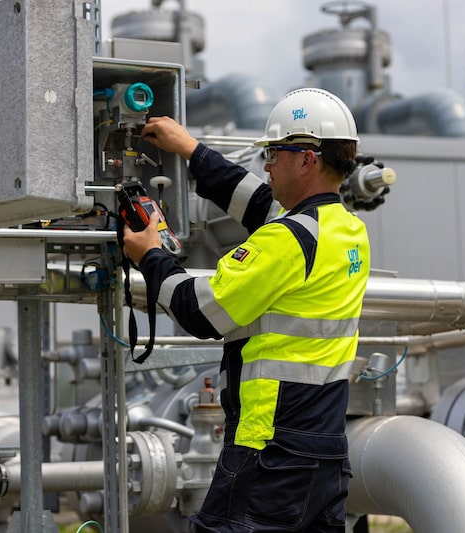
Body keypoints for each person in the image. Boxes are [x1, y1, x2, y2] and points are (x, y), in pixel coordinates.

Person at [122, 88, 370, 532]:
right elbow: (258, 202)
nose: (268, 164)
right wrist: (192, 151)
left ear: (307, 158)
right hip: (324, 453)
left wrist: (150, 255)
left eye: (274, 153)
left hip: (269, 453)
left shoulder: (286, 240)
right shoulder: (347, 232)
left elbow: (200, 312)